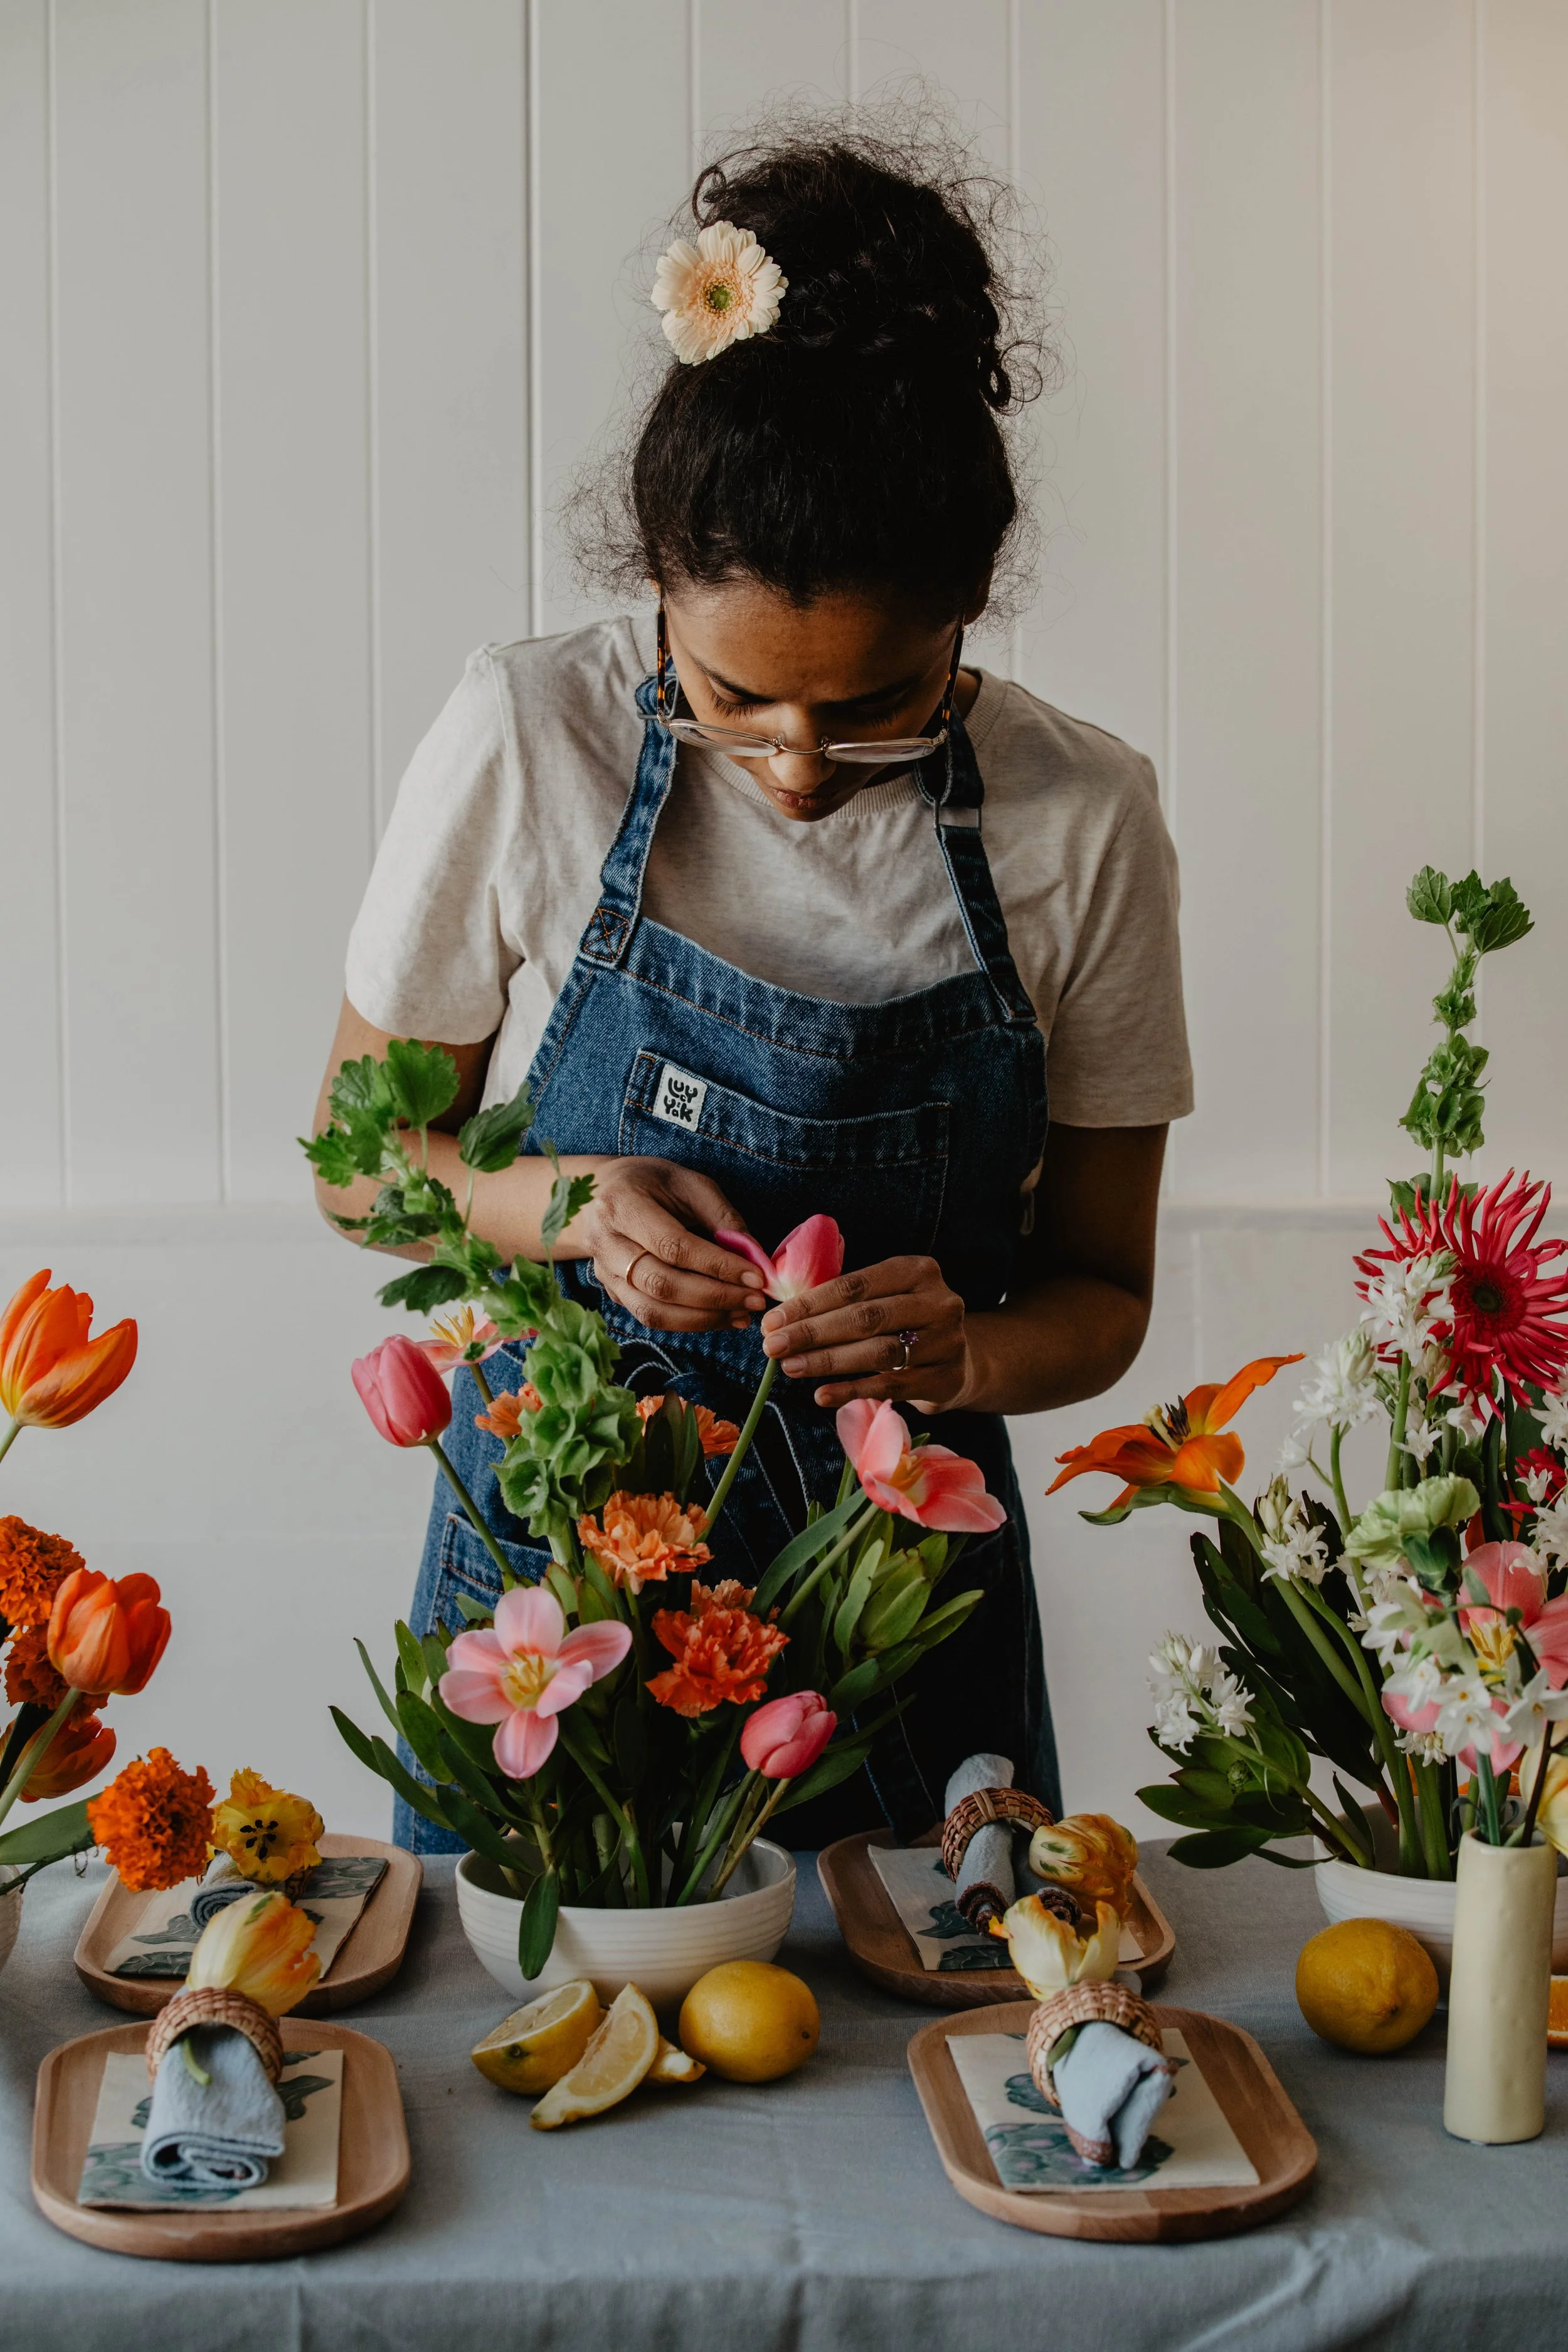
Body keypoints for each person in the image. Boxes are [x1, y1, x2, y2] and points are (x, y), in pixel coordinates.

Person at [313, 117, 1192, 1852]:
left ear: (971, 613)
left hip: (897, 1590)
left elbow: (1097, 1293)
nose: (793, 766)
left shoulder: (1082, 816)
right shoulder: (527, 736)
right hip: (553, 1588)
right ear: (650, 579)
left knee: (929, 2054)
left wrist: (965, 1351)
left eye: (877, 703)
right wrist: (562, 1202)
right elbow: (357, 1164)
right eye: (725, 695)